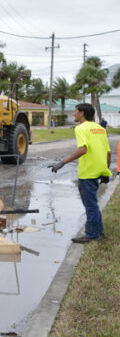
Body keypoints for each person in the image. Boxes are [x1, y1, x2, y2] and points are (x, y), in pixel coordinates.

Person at [48, 103, 111, 243]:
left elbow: (83, 149)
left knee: (90, 205)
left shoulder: (81, 128)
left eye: (75, 111)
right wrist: (105, 171)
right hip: (99, 169)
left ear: (82, 113)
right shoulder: (100, 129)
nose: (73, 114)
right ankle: (98, 229)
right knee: (93, 203)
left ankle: (92, 234)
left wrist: (62, 162)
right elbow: (108, 151)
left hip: (87, 172)